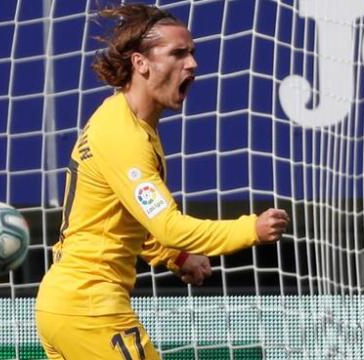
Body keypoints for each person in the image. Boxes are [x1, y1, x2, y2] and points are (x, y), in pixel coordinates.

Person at [35, 4, 289, 359]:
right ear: (141, 63)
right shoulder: (123, 136)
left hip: (65, 305)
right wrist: (251, 230)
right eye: (178, 53)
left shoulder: (123, 120)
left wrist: (178, 256)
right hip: (91, 309)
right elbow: (168, 226)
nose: (192, 64)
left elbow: (126, 222)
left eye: (192, 53)